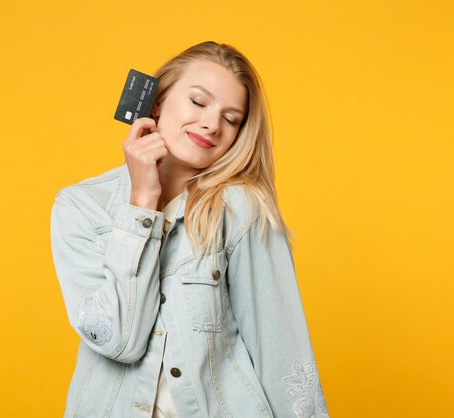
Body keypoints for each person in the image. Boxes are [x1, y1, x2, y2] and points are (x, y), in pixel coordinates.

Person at [50, 41, 329, 418]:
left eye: (231, 119)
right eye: (198, 102)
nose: (212, 124)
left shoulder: (241, 210)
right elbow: (119, 340)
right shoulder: (81, 207)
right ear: (158, 101)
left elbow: (281, 351)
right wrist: (142, 204)